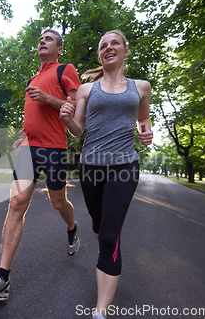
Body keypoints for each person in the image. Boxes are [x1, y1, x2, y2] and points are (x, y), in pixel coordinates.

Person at [0, 28, 82, 301]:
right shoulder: (34, 77)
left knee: (57, 202)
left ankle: (72, 228)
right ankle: (2, 279)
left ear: (59, 48)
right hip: (29, 148)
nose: (42, 41)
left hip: (54, 148)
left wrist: (47, 98)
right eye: (41, 38)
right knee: (16, 204)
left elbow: (74, 109)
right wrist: (23, 136)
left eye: (49, 39)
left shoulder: (65, 70)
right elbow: (32, 113)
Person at [59, 30, 153, 318]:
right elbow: (78, 130)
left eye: (114, 43)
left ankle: (100, 311)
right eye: (103, 46)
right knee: (100, 227)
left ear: (125, 51)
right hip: (91, 167)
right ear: (100, 55)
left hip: (125, 166)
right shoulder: (88, 90)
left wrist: (146, 133)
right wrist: (65, 118)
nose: (108, 48)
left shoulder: (141, 87)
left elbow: (144, 119)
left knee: (111, 236)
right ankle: (101, 233)